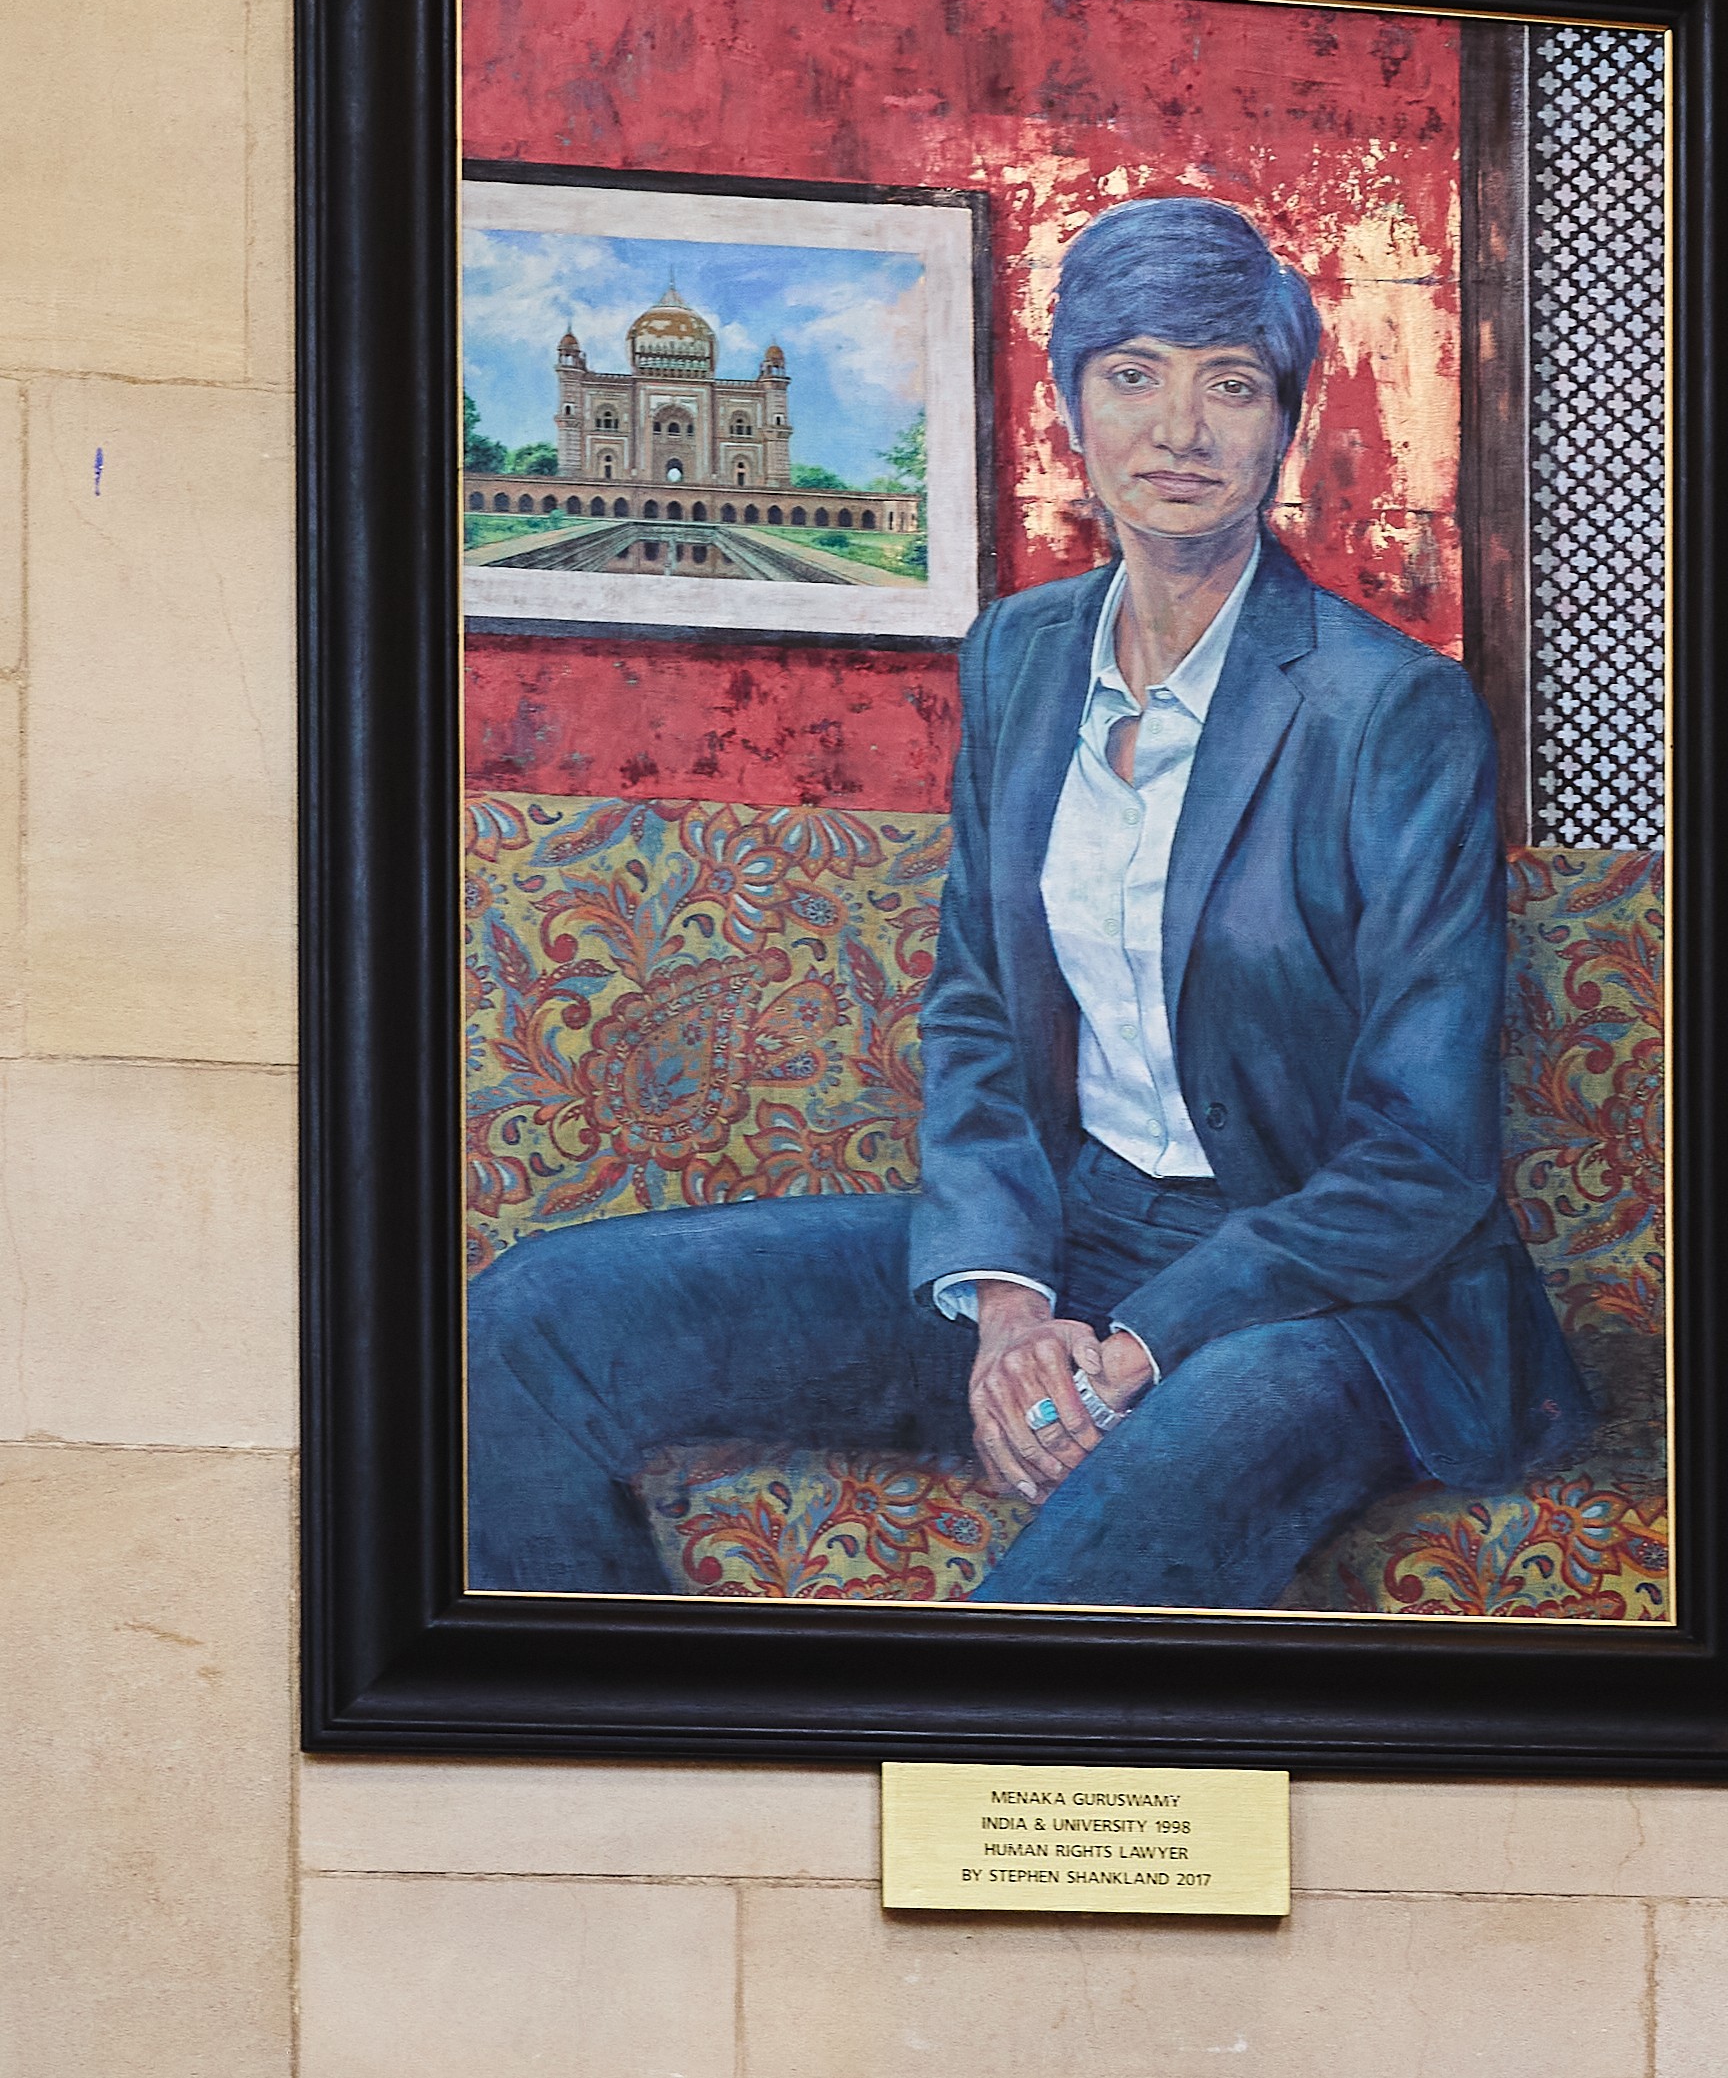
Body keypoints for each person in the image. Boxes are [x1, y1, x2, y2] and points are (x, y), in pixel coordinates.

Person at [466, 196, 1588, 1607]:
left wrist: (1138, 1344)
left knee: (1101, 1560)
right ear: (1069, 408)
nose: (1179, 428)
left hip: (1330, 1298)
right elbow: (982, 1013)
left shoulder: (1396, 711)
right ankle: (604, 1764)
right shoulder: (1019, 654)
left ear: (1284, 424)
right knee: (527, 1322)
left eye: (1231, 382)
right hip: (1067, 1237)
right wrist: (1007, 1301)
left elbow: (1423, 1159)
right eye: (1133, 374)